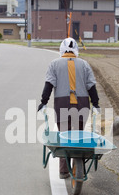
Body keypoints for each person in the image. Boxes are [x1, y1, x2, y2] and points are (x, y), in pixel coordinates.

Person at [38, 38, 100, 179]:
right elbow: (91, 86)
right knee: (78, 136)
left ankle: (64, 171)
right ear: (76, 49)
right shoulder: (84, 65)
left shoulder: (54, 64)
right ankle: (78, 166)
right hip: (82, 104)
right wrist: (96, 104)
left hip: (62, 103)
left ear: (61, 49)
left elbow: (49, 84)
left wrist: (43, 102)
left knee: (64, 136)